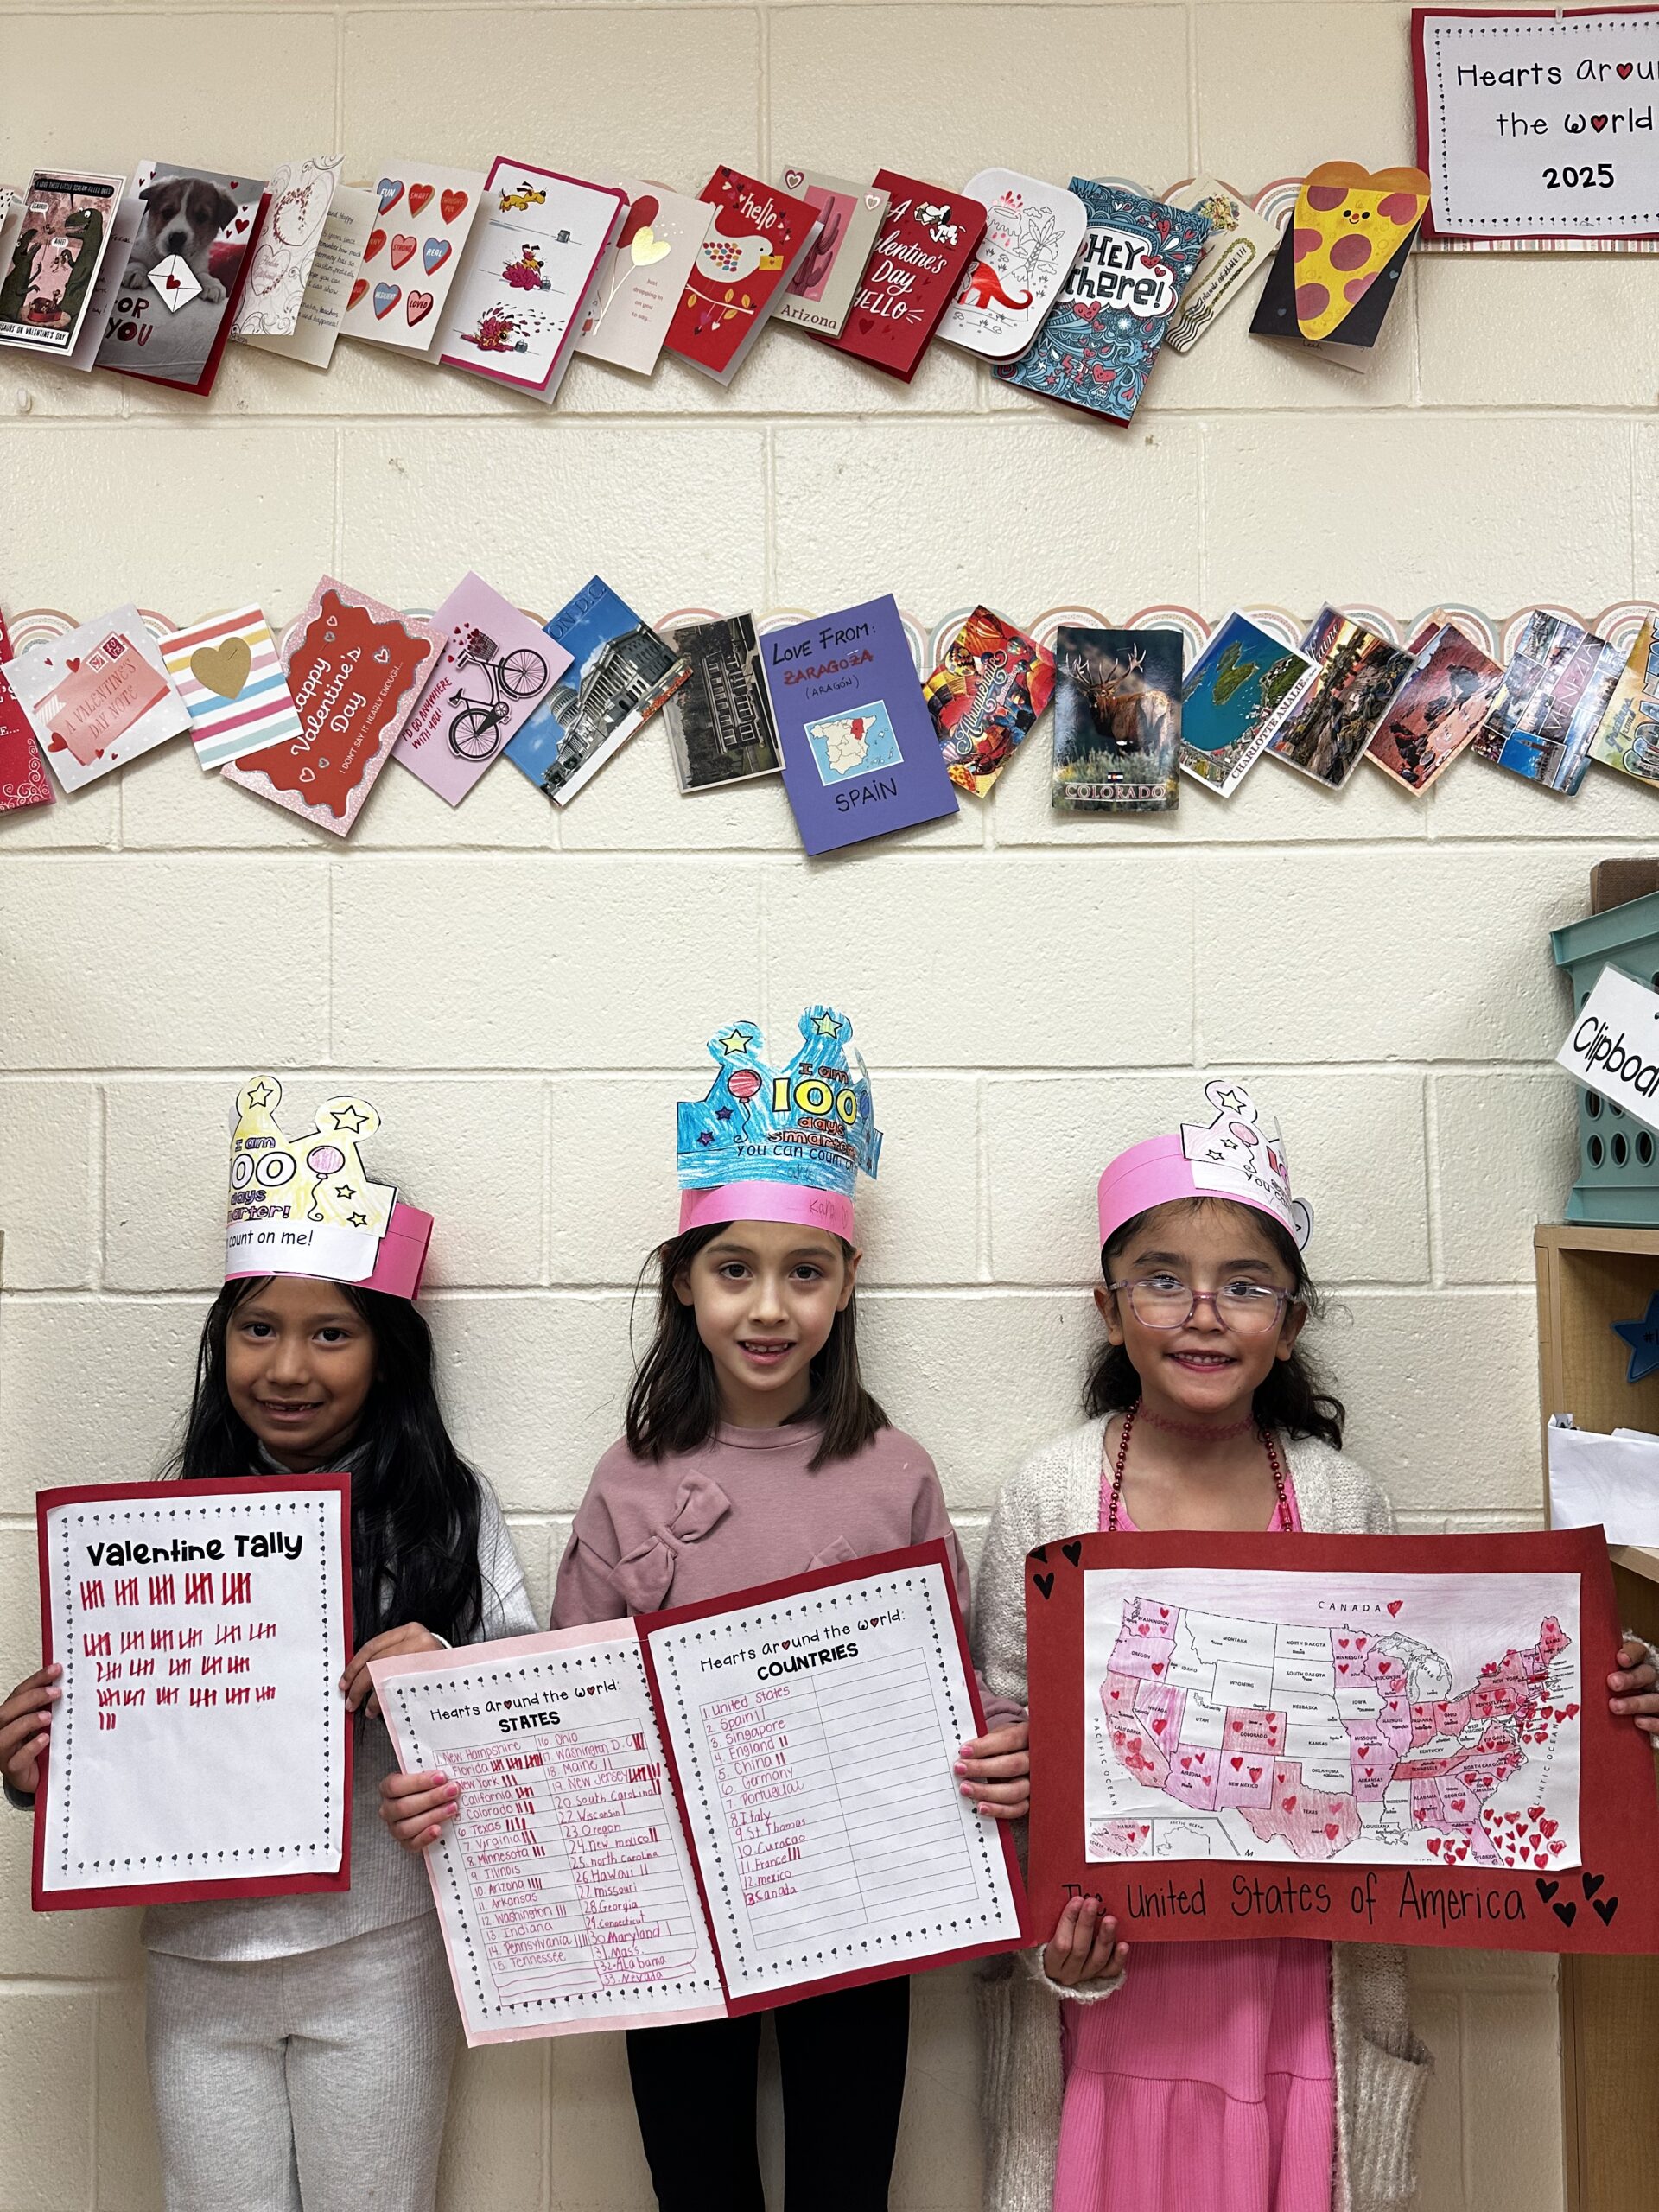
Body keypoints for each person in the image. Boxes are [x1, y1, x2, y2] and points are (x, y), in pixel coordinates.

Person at [970, 1082, 1659, 2212]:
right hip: (1112, 1994)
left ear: (1289, 1325)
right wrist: (1018, 1825)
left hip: (1303, 1999)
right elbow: (1007, 1739)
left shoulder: (1342, 1498)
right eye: (1162, 1282)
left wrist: (1600, 1700)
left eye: (1245, 1287)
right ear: (1109, 1310)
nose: (1203, 1313)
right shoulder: (1052, 1494)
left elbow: (1431, 1720)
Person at [391, 1007, 1022, 2212]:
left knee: (848, 2186)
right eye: (735, 1271)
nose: (769, 1308)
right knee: (698, 2189)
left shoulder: (895, 1470)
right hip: (672, 1921)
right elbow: (565, 1701)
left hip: (861, 1915)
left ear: (848, 1285)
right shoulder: (629, 1481)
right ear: (686, 1284)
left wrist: (991, 1758)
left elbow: (946, 1686)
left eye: (805, 1273)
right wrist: (473, 1775)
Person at [0, 1077, 534, 2212]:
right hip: (199, 1965)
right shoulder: (153, 1527)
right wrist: (43, 1759)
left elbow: (532, 1715)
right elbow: (111, 1745)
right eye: (258, 1329)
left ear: (386, 1352)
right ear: (224, 1340)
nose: (288, 1368)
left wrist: (440, 1673)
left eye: (330, 1333)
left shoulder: (448, 1510)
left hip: (382, 1956)